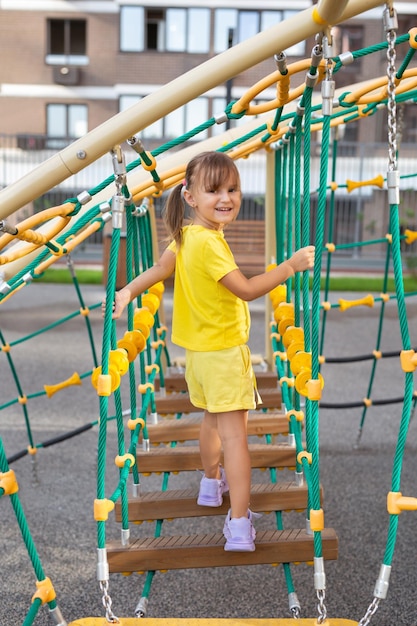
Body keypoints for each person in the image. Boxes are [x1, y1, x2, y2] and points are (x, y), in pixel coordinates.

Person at [104, 151, 315, 551]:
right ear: (190, 196)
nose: (226, 197)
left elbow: (161, 271)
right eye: (214, 189)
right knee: (236, 438)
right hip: (223, 354)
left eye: (232, 189)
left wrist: (128, 290)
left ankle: (208, 485)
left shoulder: (186, 235)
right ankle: (238, 524)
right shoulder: (211, 245)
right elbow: (249, 289)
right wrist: (290, 266)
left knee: (210, 422)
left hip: (197, 358)